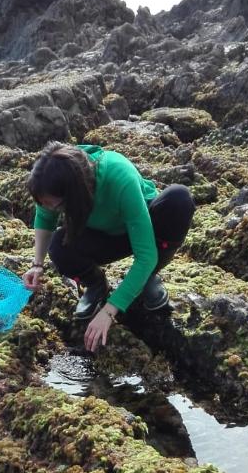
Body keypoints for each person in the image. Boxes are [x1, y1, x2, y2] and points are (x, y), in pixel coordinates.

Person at [22, 141, 195, 353]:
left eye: (56, 206)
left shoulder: (119, 176)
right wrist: (37, 264)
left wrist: (109, 311)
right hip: (105, 237)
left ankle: (148, 276)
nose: (51, 209)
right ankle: (96, 285)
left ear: (76, 193)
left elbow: (146, 255)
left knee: (179, 199)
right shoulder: (54, 179)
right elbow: (45, 217)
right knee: (58, 247)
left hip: (147, 231)